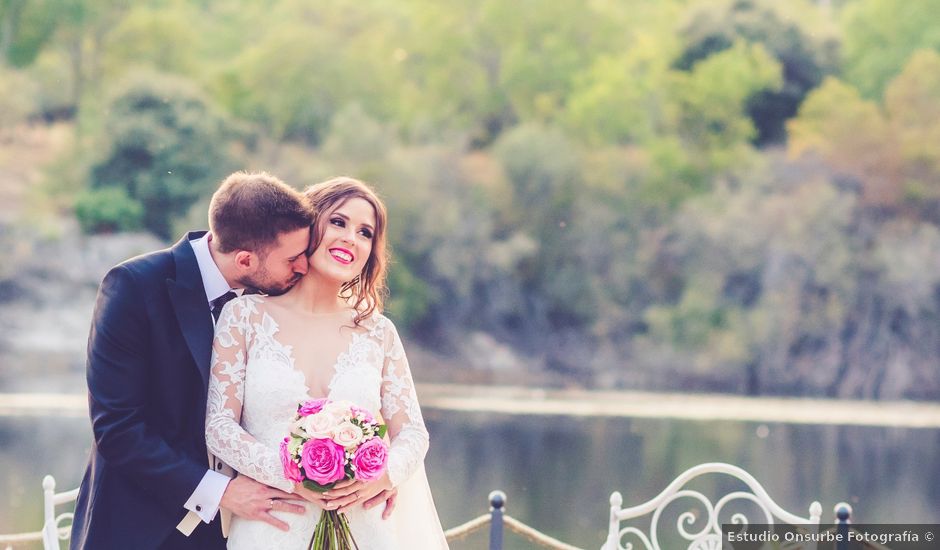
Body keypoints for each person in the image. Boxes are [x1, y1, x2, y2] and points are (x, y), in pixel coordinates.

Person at [71, 172, 395, 550]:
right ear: (244, 259)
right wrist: (220, 492)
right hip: (141, 529)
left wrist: (370, 472)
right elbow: (117, 428)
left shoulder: (267, 294)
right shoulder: (134, 286)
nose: (302, 267)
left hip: (242, 531)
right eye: (294, 259)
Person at [205, 176, 449, 549]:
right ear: (309, 227)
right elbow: (220, 425)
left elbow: (413, 433)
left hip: (362, 526)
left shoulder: (378, 333)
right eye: (339, 222)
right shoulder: (244, 317)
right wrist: (292, 476)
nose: (351, 238)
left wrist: (383, 475)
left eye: (365, 232)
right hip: (273, 522)